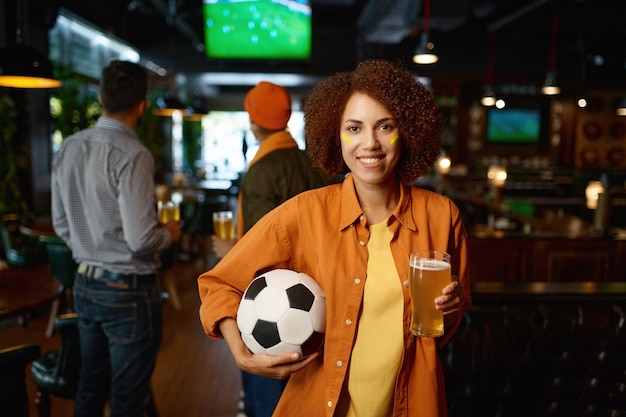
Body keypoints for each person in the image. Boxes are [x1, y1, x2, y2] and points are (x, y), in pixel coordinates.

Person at [198, 58, 470, 417]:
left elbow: (443, 329)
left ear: (406, 131)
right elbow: (219, 284)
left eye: (384, 126)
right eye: (354, 128)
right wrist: (242, 354)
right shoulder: (303, 213)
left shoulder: (442, 215)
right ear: (334, 135)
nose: (369, 143)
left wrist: (451, 308)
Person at [51, 59, 182, 417]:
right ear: (141, 105)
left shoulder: (69, 147)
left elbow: (61, 225)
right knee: (128, 398)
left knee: (90, 386)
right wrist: (168, 234)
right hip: (128, 291)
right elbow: (141, 240)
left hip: (85, 284)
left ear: (101, 98)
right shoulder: (133, 153)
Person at [210, 80, 338, 417]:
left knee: (264, 401)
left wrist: (231, 250)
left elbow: (259, 247)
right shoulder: (317, 165)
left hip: (267, 304)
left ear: (253, 121)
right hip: (320, 301)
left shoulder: (261, 171)